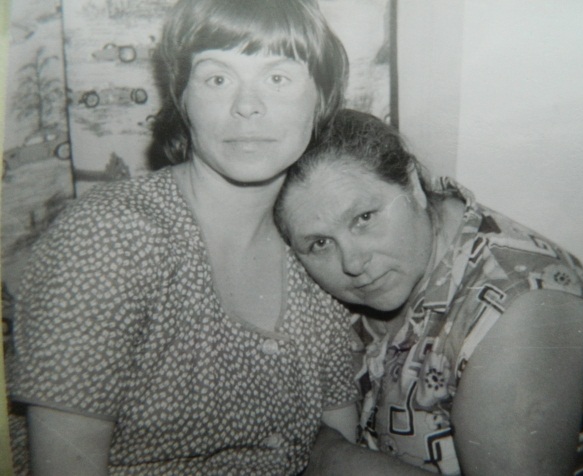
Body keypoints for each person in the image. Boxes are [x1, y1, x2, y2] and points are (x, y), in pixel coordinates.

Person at [9, 1, 358, 474]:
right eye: (217, 78)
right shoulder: (110, 236)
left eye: (278, 78)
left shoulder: (317, 245)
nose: (247, 105)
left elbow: (338, 450)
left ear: (321, 98)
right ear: (183, 97)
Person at [275, 109, 583, 475]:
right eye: (320, 243)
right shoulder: (324, 284)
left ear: (413, 186)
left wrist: (328, 455)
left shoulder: (522, 304)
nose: (352, 262)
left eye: (364, 218)